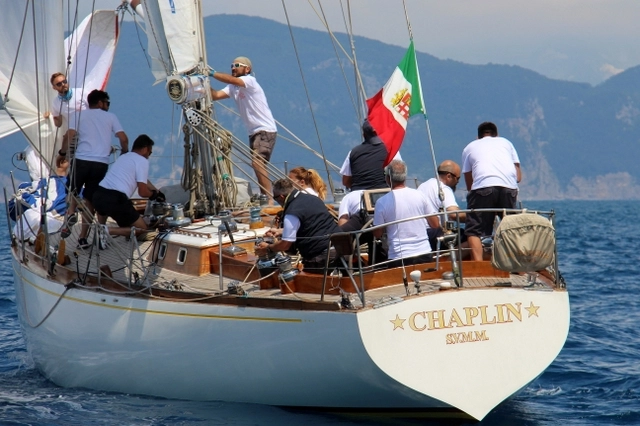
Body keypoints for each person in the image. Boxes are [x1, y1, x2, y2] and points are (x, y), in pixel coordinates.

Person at [59, 90, 129, 246]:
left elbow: (68, 135)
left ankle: (71, 212)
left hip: (81, 160)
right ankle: (83, 238)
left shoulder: (78, 115)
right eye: (107, 103)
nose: (108, 106)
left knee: (72, 190)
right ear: (100, 103)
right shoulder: (111, 117)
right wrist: (124, 152)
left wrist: (62, 153)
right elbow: (123, 138)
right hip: (100, 164)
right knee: (90, 199)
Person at [209, 56, 277, 201]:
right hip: (253, 132)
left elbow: (232, 80)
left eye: (237, 65)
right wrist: (201, 82)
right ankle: (266, 196)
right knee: (258, 165)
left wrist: (212, 73)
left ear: (247, 69)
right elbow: (214, 95)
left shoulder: (249, 81)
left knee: (257, 162)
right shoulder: (233, 88)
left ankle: (269, 198)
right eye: (232, 65)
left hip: (264, 129)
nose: (233, 67)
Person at [461, 121, 521, 261]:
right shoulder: (507, 143)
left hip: (483, 187)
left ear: (478, 137)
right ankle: (516, 265)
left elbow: (470, 183)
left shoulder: (470, 147)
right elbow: (518, 176)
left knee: (474, 230)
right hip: (509, 188)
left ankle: (478, 266)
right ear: (497, 135)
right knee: (510, 227)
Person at [92, 135, 164, 247]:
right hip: (116, 198)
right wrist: (153, 195)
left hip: (98, 194)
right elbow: (142, 192)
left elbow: (143, 179)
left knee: (103, 209)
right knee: (142, 229)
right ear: (145, 149)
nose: (148, 156)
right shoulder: (142, 161)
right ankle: (108, 231)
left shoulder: (124, 157)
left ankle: (100, 233)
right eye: (149, 153)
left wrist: (156, 190)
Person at [255, 178, 340, 271]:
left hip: (320, 256)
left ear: (281, 197)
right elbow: (311, 224)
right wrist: (281, 231)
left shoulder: (292, 212)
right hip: (339, 248)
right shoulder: (313, 198)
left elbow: (285, 244)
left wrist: (268, 248)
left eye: (275, 198)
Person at [373, 160, 439, 268]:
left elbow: (377, 234)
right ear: (405, 177)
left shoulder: (381, 202)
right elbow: (435, 224)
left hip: (398, 257)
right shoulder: (420, 196)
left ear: (388, 178)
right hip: (424, 253)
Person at [417, 160, 467, 251]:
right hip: (435, 235)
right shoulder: (443, 188)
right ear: (449, 176)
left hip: (421, 235)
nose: (458, 182)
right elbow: (453, 213)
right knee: (471, 235)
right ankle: (452, 259)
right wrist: (474, 218)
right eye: (458, 178)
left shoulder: (422, 186)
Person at [340, 119, 395, 191]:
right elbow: (398, 176)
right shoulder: (391, 151)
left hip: (359, 194)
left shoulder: (353, 152)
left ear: (363, 135)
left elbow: (346, 181)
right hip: (384, 193)